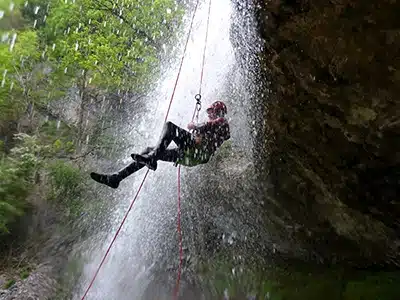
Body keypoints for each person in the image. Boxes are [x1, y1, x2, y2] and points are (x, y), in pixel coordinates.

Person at [90, 101, 230, 189]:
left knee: (170, 127)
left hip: (197, 152)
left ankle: (152, 158)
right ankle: (116, 178)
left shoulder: (222, 122)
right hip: (189, 155)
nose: (210, 114)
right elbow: (207, 128)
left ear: (218, 112)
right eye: (209, 112)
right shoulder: (214, 127)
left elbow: (208, 125)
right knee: (148, 150)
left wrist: (195, 125)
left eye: (211, 111)